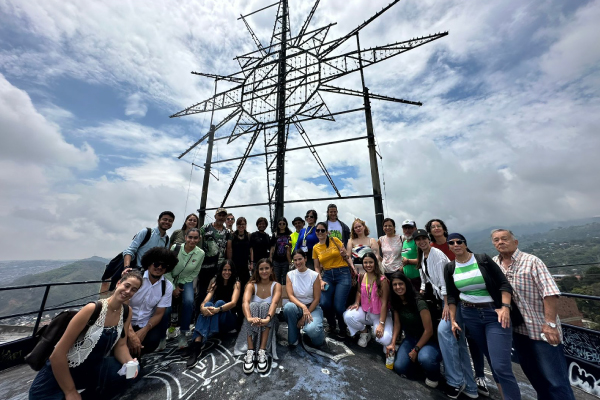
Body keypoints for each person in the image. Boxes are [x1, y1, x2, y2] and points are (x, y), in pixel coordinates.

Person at [29, 271, 142, 400]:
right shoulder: (92, 309)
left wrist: (129, 364)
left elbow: (120, 345)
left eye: (133, 290)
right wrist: (70, 391)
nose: (128, 291)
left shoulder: (126, 312)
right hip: (61, 372)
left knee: (131, 372)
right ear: (118, 283)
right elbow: (57, 355)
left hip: (90, 370)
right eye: (126, 286)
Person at [491, 229, 575, 400]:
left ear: (515, 242)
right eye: (496, 240)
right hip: (519, 331)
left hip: (542, 330)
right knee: (535, 378)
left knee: (556, 381)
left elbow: (550, 293)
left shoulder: (532, 262)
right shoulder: (494, 264)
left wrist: (550, 323)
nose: (500, 242)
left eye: (505, 239)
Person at [444, 233, 521, 400]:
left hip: (494, 314)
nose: (456, 244)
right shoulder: (450, 267)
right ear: (449, 246)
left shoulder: (482, 259)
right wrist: (453, 320)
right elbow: (451, 296)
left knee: (501, 365)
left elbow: (503, 284)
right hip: (469, 314)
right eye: (452, 243)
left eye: (459, 242)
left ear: (465, 244)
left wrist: (505, 307)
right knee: (493, 362)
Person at [413, 229, 478, 399]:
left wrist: (446, 304)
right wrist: (421, 290)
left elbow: (445, 281)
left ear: (428, 239)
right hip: (443, 298)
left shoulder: (437, 255)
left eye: (423, 239)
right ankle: (470, 386)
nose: (421, 242)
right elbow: (424, 277)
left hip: (450, 298)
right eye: (418, 240)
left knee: (445, 332)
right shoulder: (423, 256)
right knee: (458, 341)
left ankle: (455, 381)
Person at [426, 219, 488, 395]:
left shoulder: (457, 246)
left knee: (471, 339)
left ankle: (478, 377)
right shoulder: (431, 249)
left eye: (438, 226)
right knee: (456, 336)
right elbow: (440, 279)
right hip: (454, 300)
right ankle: (466, 383)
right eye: (433, 227)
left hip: (471, 300)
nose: (455, 245)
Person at [388, 271, 442, 389]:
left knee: (426, 358)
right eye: (395, 285)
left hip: (429, 340)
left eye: (401, 284)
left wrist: (416, 349)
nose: (398, 287)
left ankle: (434, 374)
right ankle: (419, 365)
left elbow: (429, 331)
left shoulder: (419, 302)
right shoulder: (397, 302)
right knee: (399, 367)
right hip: (411, 338)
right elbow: (397, 324)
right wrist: (392, 343)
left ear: (406, 284)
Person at [101, 211, 174, 294]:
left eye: (170, 221)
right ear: (158, 220)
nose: (167, 222)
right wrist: (126, 267)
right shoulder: (146, 232)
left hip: (151, 276)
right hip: (137, 272)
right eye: (165, 219)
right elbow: (130, 250)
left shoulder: (166, 240)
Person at [187, 261, 241, 369]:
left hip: (229, 320)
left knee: (220, 302)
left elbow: (233, 303)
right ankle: (196, 347)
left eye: (229, 270)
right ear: (221, 271)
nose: (227, 272)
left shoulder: (236, 283)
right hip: (216, 318)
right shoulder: (215, 281)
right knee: (208, 304)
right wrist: (202, 307)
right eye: (224, 270)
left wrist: (217, 309)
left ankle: (205, 334)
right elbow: (207, 298)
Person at [127, 247, 178, 356]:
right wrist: (131, 333)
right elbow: (122, 307)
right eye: (156, 264)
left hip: (145, 323)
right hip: (125, 321)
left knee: (152, 341)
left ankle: (135, 356)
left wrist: (144, 331)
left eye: (164, 265)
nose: (159, 267)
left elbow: (159, 313)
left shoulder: (167, 286)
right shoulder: (135, 279)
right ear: (149, 263)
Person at [235, 259, 282, 374]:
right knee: (253, 305)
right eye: (261, 269)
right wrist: (249, 317)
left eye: (267, 268)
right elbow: (245, 302)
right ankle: (250, 350)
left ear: (271, 270)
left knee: (266, 306)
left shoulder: (277, 285)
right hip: (252, 323)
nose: (264, 271)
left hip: (269, 322)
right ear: (257, 270)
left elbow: (275, 303)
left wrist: (267, 318)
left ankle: (262, 350)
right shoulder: (251, 285)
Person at [164, 228, 205, 349]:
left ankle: (183, 333)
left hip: (186, 280)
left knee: (188, 302)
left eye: (195, 238)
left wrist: (182, 284)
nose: (192, 240)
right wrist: (173, 286)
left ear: (199, 239)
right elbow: (167, 269)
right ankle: (162, 336)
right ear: (186, 237)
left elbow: (195, 272)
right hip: (170, 278)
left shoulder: (200, 253)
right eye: (190, 237)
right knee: (166, 307)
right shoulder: (176, 248)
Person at [343, 252, 392, 350]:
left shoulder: (382, 280)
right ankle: (365, 332)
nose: (368, 265)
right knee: (348, 316)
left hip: (380, 315)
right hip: (367, 312)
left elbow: (384, 303)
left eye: (371, 262)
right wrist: (357, 302)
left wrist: (381, 324)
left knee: (384, 339)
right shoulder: (361, 276)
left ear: (375, 263)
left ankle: (386, 334)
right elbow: (359, 291)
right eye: (365, 263)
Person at [313, 221, 353, 339]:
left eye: (322, 230)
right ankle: (331, 324)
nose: (320, 232)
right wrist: (320, 280)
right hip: (328, 275)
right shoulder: (316, 247)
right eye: (318, 230)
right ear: (316, 232)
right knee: (324, 303)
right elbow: (316, 266)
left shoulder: (335, 240)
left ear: (327, 232)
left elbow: (346, 256)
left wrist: (344, 254)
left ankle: (342, 328)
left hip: (342, 273)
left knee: (339, 306)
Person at [284, 249, 324, 347]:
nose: (297, 262)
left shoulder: (314, 275)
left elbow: (316, 299)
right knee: (288, 307)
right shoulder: (290, 275)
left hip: (312, 307)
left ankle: (316, 330)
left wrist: (304, 316)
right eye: (295, 260)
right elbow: (290, 295)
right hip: (297, 307)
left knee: (313, 332)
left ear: (305, 259)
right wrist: (303, 307)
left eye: (300, 259)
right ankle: (295, 333)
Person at [197, 208, 232, 305]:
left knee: (216, 290)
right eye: (219, 215)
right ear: (215, 216)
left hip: (219, 266)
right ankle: (199, 314)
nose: (221, 217)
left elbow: (229, 248)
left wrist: (229, 264)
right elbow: (198, 245)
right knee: (203, 291)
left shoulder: (228, 232)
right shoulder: (205, 228)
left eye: (223, 216)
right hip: (205, 265)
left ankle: (213, 313)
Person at [228, 217, 252, 327]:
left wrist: (251, 262)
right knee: (234, 288)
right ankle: (234, 313)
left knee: (244, 289)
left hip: (245, 266)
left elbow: (251, 250)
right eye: (239, 224)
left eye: (243, 224)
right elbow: (230, 249)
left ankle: (243, 315)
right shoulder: (232, 236)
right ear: (236, 225)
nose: (241, 226)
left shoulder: (248, 236)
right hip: (235, 265)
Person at [270, 217, 292, 285]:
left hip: (285, 260)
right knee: (276, 279)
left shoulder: (289, 235)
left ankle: (285, 294)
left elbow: (289, 248)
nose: (282, 225)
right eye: (280, 224)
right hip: (276, 260)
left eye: (283, 224)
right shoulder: (275, 235)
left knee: (286, 279)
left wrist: (290, 261)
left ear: (286, 224)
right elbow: (272, 248)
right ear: (278, 225)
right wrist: (270, 258)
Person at [400, 220, 420, 290]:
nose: (407, 230)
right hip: (407, 279)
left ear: (415, 229)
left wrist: (408, 261)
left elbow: (423, 259)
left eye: (410, 228)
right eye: (405, 228)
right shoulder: (404, 242)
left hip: (418, 279)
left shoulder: (417, 241)